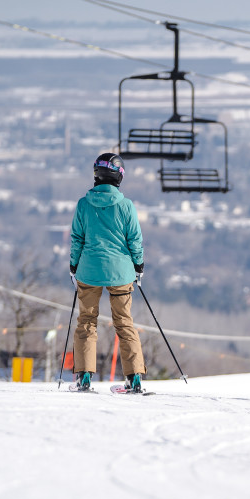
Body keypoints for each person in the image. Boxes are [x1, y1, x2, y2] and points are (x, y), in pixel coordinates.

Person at [69, 152, 146, 392]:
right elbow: (135, 239)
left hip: (89, 271)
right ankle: (134, 378)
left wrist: (74, 265)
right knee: (124, 322)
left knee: (86, 322)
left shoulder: (83, 204)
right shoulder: (126, 206)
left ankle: (83, 376)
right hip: (121, 273)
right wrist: (139, 265)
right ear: (119, 176)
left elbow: (77, 239)